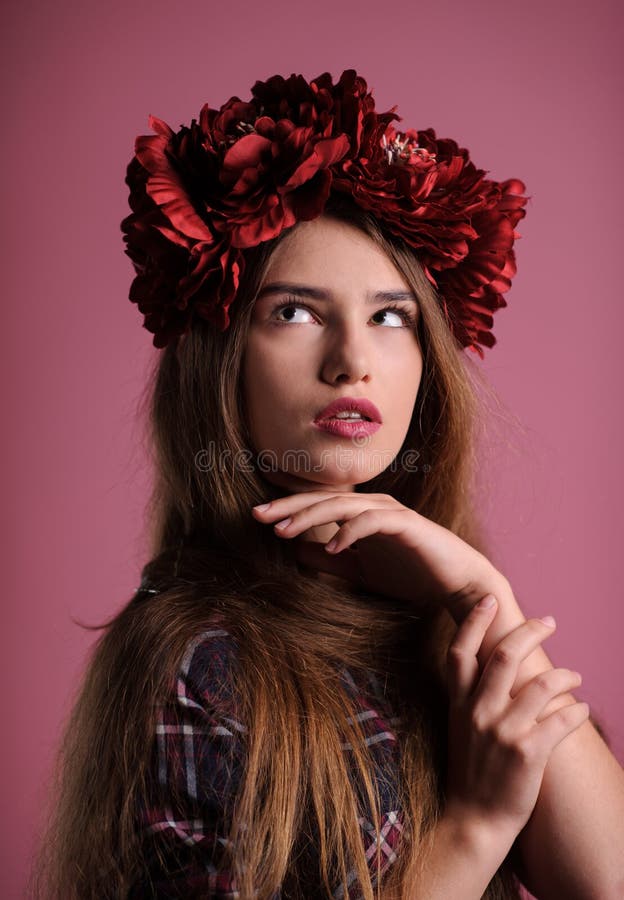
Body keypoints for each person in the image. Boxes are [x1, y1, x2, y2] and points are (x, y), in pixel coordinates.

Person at [33, 70, 624, 899]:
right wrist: (475, 828)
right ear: (223, 361)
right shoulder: (198, 663)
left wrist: (484, 599)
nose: (353, 360)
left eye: (391, 317)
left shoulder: (442, 632)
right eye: (296, 313)